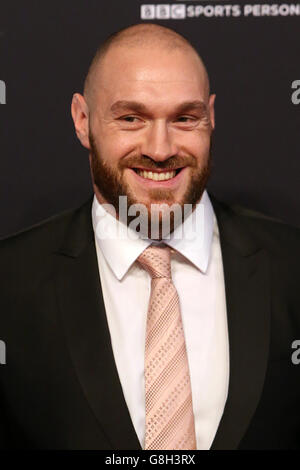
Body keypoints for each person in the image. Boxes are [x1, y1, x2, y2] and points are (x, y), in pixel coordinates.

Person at [0, 23, 299, 450]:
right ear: (83, 121)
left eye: (184, 118)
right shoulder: (9, 282)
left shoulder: (291, 268)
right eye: (131, 118)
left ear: (211, 118)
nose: (160, 149)